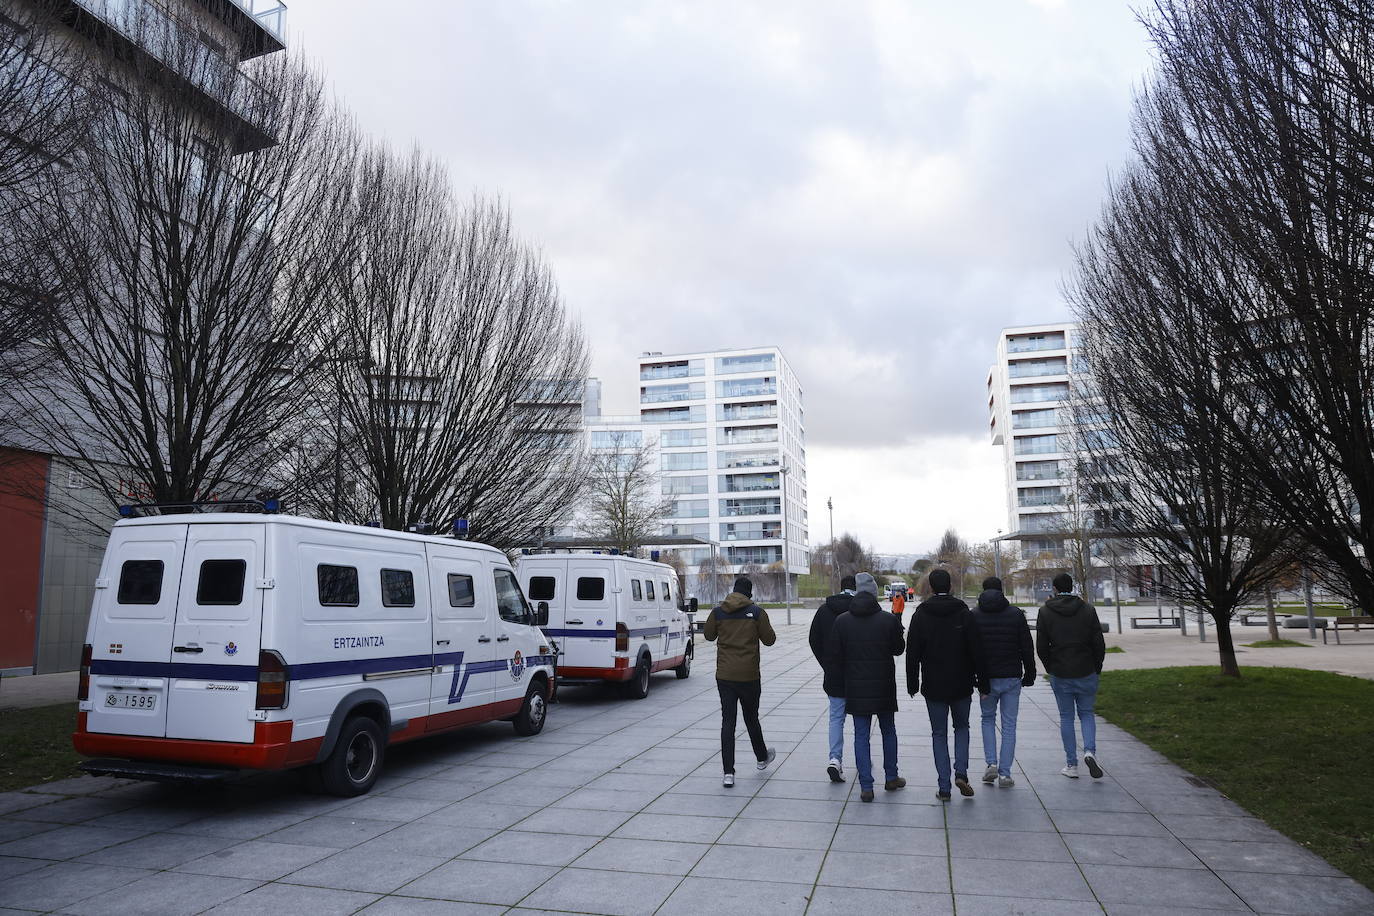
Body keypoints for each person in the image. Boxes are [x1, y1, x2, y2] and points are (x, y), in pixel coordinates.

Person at [906, 568, 988, 801]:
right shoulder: (964, 613)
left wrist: (913, 683)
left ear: (930, 588)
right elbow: (977, 651)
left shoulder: (921, 615)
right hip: (962, 683)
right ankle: (961, 772)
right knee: (962, 728)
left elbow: (913, 652)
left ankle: (944, 786)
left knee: (938, 733)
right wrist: (983, 684)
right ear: (950, 586)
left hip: (934, 684)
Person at [824, 572, 905, 802]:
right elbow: (899, 649)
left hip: (856, 687)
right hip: (884, 686)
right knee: (888, 730)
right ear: (874, 592)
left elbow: (835, 656)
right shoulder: (888, 620)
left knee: (861, 734)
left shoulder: (843, 621)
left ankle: (866, 786)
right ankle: (891, 776)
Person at [704, 576, 777, 788]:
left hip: (725, 676)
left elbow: (708, 636)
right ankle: (762, 758)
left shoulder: (718, 612)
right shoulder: (756, 613)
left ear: (732, 591)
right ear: (749, 593)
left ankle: (728, 773)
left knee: (728, 721)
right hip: (749, 676)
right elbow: (770, 640)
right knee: (751, 718)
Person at [1037, 572, 1107, 779]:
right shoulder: (1087, 610)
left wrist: (1050, 667)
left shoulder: (1046, 612)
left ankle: (1071, 764)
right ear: (1073, 586)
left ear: (1054, 589)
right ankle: (1089, 751)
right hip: (1086, 669)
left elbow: (1041, 646)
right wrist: (1097, 666)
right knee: (1086, 713)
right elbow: (1098, 643)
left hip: (1060, 670)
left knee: (1066, 717)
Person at [973, 576, 1036, 788]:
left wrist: (973, 676)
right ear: (1001, 591)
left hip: (986, 679)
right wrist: (1030, 672)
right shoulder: (1016, 614)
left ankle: (991, 762)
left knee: (987, 719)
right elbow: (1026, 647)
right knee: (1009, 725)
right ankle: (1005, 773)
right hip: (1011, 676)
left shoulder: (974, 615)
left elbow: (969, 650)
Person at [809, 574, 856, 782]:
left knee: (836, 718)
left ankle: (835, 759)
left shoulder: (824, 610)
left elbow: (813, 639)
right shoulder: (861, 608)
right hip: (858, 675)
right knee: (861, 720)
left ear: (840, 587)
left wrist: (826, 664)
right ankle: (863, 758)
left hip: (834, 675)